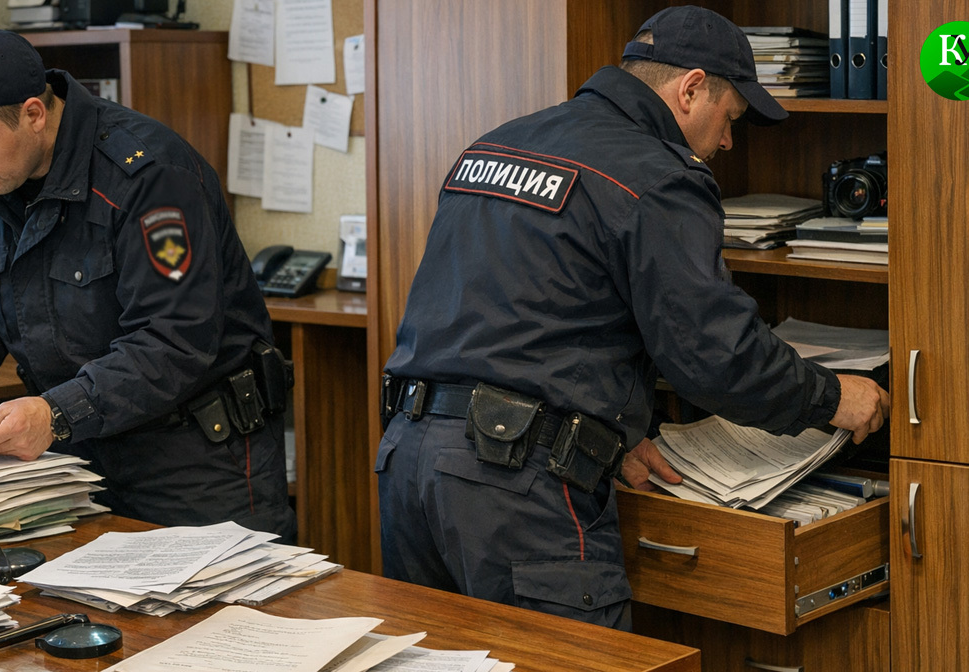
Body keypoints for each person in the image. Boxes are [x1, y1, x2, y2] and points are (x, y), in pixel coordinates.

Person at [375, 6, 890, 630]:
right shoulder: (658, 174)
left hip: (409, 460)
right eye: (730, 118)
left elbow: (523, 316)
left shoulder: (498, 144)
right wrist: (833, 397)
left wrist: (602, 431)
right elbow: (716, 356)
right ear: (691, 89)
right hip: (519, 493)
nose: (728, 142)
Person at [0, 28, 296, 541]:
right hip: (72, 455)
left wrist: (57, 412)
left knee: (213, 594)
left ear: (34, 114)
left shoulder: (150, 177)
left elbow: (174, 338)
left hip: (193, 459)